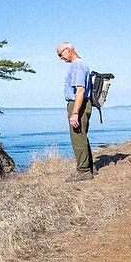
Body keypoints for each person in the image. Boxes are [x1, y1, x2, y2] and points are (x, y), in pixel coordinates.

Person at [56, 42, 94, 181]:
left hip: (79, 104)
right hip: (78, 104)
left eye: (60, 54)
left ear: (68, 50)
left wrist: (75, 112)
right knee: (81, 135)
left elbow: (80, 90)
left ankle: (83, 171)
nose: (61, 58)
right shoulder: (79, 65)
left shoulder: (77, 65)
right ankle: (89, 168)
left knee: (77, 136)